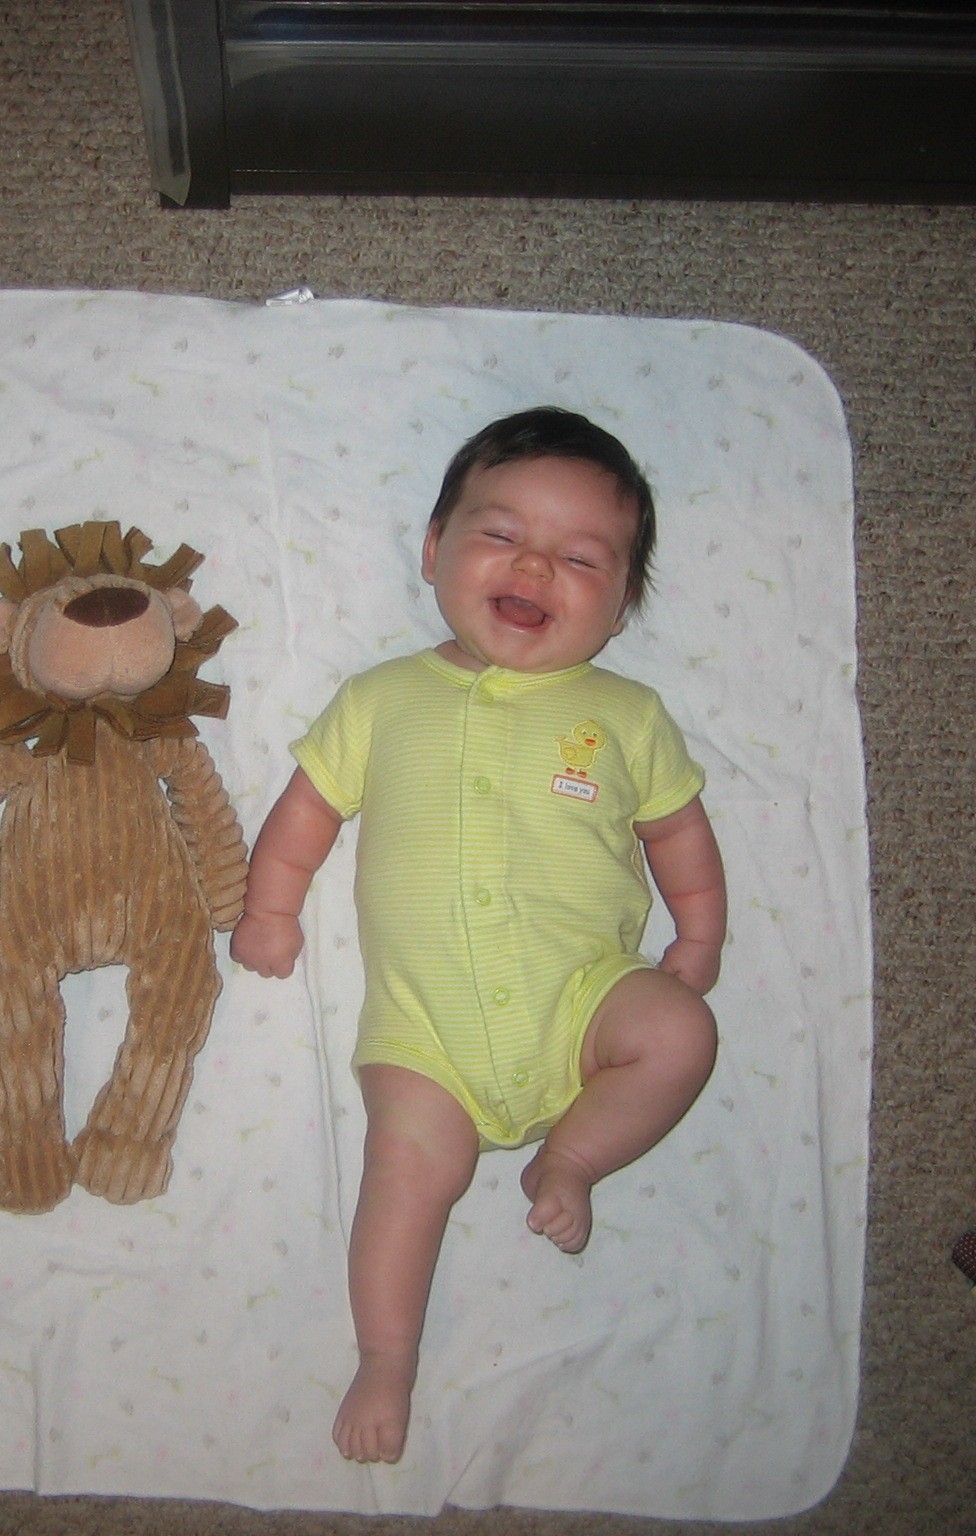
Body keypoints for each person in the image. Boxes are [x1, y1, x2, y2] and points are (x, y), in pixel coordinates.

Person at [229, 407, 727, 1465]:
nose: (534, 567)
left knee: (681, 1033)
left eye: (580, 559)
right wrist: (269, 907)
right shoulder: (381, 698)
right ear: (432, 549)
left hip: (584, 1003)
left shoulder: (627, 715)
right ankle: (386, 1356)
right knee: (404, 1173)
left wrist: (699, 934)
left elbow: (679, 831)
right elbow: (306, 810)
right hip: (428, 1035)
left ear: (622, 608)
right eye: (500, 535)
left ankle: (572, 1157)